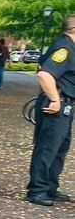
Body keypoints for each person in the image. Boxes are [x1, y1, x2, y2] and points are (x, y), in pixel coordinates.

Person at [25, 15, 75, 207]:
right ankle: (37, 190)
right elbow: (45, 74)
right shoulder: (63, 48)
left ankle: (49, 187)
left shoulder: (69, 47)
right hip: (57, 102)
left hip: (65, 102)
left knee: (60, 147)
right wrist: (55, 99)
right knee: (47, 147)